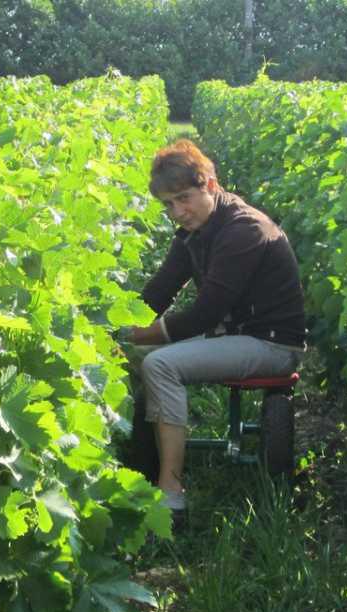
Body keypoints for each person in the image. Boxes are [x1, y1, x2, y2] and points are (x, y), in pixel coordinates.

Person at [126, 139, 306, 514]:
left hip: (270, 345)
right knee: (133, 355)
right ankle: (141, 461)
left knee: (160, 363)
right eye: (168, 205)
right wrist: (121, 328)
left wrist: (139, 335)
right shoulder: (197, 229)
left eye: (184, 198)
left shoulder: (244, 230)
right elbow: (160, 291)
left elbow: (204, 314)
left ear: (209, 183)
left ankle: (170, 493)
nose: (177, 211)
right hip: (234, 336)